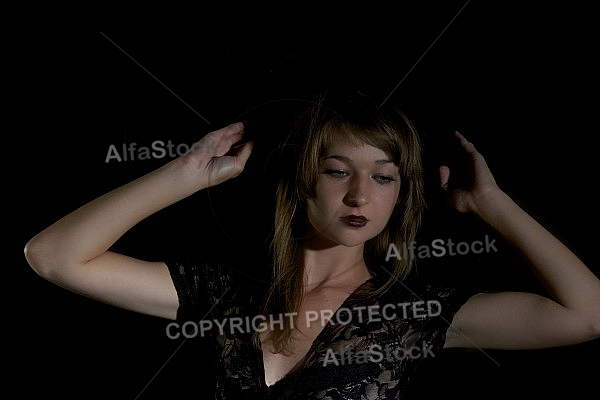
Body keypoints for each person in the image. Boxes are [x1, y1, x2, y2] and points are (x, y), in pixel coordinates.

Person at [24, 88, 600, 399]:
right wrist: (182, 175)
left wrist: (492, 205)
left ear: (400, 195)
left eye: (383, 177)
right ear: (304, 180)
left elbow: (587, 313)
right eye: (336, 171)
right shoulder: (223, 295)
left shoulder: (415, 313)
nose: (358, 196)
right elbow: (53, 256)